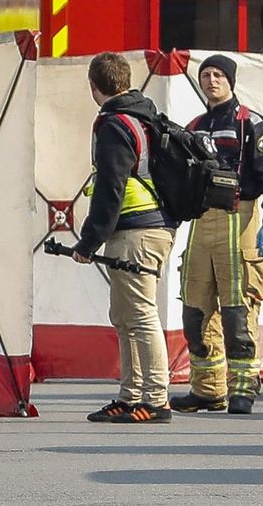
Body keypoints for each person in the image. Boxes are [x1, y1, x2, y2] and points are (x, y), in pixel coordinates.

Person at [171, 54, 263, 416]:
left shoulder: (252, 123)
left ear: (231, 80)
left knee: (238, 312)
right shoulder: (194, 125)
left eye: (219, 74)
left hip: (242, 219)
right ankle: (207, 391)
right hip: (201, 224)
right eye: (205, 75)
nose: (211, 80)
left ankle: (243, 389)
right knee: (195, 311)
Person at [72, 52, 177, 424]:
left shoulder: (115, 124)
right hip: (151, 227)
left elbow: (109, 188)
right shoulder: (144, 116)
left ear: (93, 85)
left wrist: (88, 243)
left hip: (136, 230)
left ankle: (156, 398)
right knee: (124, 315)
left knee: (142, 315)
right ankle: (131, 396)